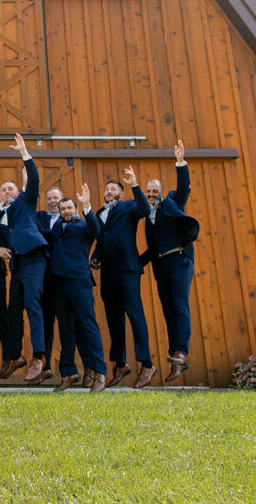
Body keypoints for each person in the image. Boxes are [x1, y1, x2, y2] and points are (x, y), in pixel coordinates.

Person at [141, 140, 200, 382]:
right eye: (149, 192)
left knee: (179, 305)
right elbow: (152, 247)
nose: (152, 195)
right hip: (161, 265)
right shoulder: (148, 216)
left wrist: (180, 163)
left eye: (155, 191)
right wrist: (135, 263)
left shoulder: (172, 202)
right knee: (167, 310)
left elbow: (184, 188)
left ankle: (181, 351)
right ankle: (175, 358)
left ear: (162, 193)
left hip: (178, 259)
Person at [91, 166, 153, 388]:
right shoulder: (100, 213)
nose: (108, 192)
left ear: (121, 193)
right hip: (108, 272)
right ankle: (120, 364)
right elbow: (101, 239)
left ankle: (146, 363)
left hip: (127, 269)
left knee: (135, 315)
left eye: (113, 189)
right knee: (114, 319)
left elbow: (146, 210)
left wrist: (135, 184)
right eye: (106, 189)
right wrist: (96, 257)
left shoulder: (130, 206)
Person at [0, 133, 50, 384]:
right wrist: (0, 249)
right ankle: (16, 355)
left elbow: (34, 181)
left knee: (33, 304)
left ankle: (39, 356)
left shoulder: (26, 203)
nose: (7, 192)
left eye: (11, 189)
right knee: (13, 310)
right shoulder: (2, 215)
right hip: (17, 265)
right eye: (4, 189)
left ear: (19, 192)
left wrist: (24, 153)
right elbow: (2, 237)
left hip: (33, 258)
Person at [47, 184, 106, 392]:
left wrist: (87, 206)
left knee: (88, 325)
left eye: (69, 208)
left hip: (79, 281)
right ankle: (68, 372)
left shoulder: (83, 226)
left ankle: (99, 371)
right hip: (59, 284)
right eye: (63, 209)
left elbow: (96, 230)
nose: (65, 212)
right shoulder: (56, 228)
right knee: (65, 329)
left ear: (75, 209)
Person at [37, 185, 64, 382]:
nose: (52, 201)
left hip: (64, 278)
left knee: (66, 324)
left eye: (55, 198)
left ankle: (68, 369)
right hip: (45, 278)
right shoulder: (41, 217)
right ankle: (45, 366)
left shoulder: (70, 218)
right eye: (49, 198)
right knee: (46, 323)